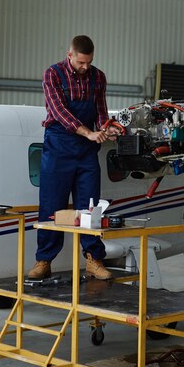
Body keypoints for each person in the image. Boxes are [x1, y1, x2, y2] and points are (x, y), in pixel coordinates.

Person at [27, 35, 119, 280]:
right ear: (70, 55)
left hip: (86, 151)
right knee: (51, 205)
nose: (85, 67)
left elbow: (100, 110)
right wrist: (88, 132)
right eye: (81, 62)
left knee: (90, 207)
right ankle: (43, 260)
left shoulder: (98, 77)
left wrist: (105, 128)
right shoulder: (53, 74)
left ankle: (93, 259)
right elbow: (58, 111)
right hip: (59, 146)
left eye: (89, 62)